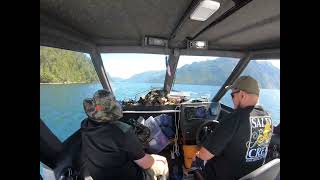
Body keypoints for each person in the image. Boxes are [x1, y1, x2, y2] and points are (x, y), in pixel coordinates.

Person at [194, 76, 274, 180]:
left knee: (196, 159)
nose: (232, 100)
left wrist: (198, 154)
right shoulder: (268, 117)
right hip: (253, 176)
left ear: (242, 95)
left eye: (232, 95)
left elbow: (204, 155)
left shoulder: (234, 118)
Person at [79, 89, 169, 180]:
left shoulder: (85, 124)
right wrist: (152, 157)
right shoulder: (123, 131)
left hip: (98, 176)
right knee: (163, 161)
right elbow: (145, 164)